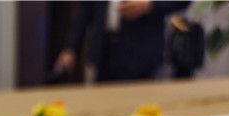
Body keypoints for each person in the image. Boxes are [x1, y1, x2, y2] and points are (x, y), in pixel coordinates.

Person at [54, 0, 191, 82]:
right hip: (104, 52)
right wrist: (70, 48)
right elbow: (84, 13)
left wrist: (150, 4)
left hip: (141, 54)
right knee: (102, 106)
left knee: (137, 111)